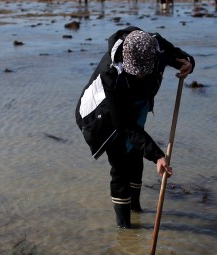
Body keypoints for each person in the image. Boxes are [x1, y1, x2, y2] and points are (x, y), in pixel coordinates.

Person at [75, 27, 195, 229]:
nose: (139, 77)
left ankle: (136, 209)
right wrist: (157, 155)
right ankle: (125, 231)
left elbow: (181, 57)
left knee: (135, 154)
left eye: (143, 73)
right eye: (135, 73)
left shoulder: (157, 46)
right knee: (120, 165)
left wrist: (189, 64)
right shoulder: (110, 73)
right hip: (102, 115)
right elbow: (124, 126)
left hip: (135, 105)